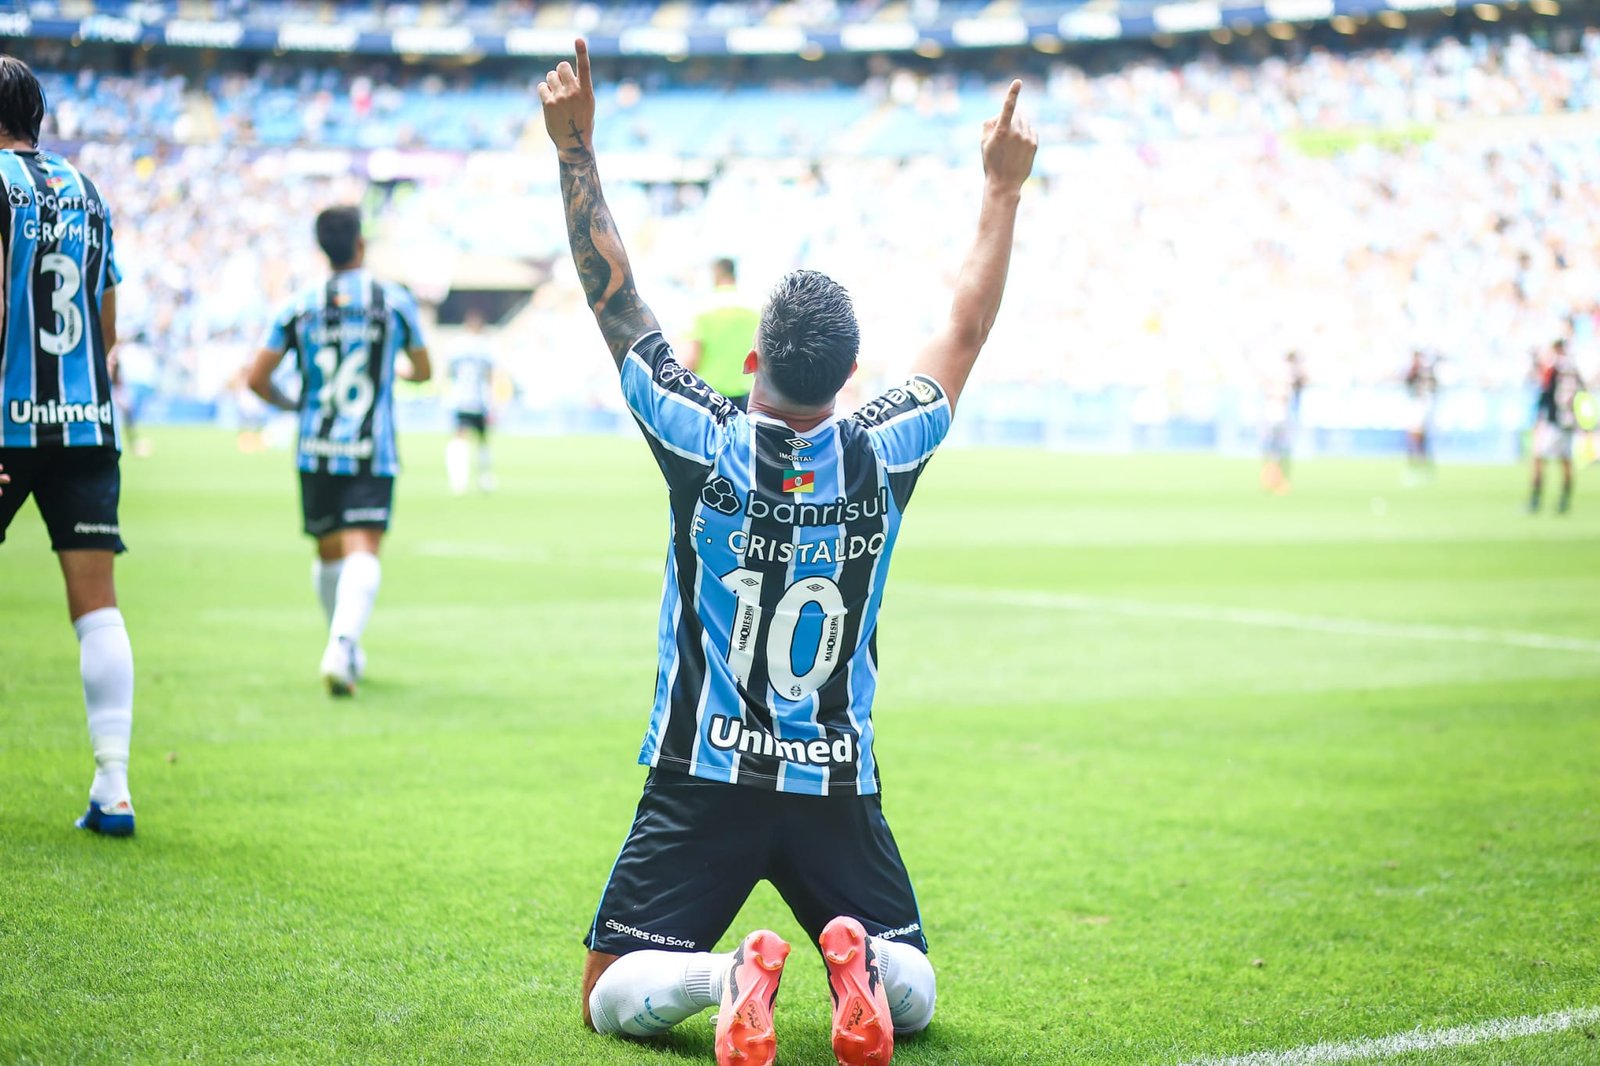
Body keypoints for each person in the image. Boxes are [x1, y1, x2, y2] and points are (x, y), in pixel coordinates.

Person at [536, 40, 1035, 1066]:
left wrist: (575, 148)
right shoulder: (883, 449)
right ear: (853, 373)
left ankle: (726, 977)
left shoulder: (697, 436)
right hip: (834, 779)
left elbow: (614, 299)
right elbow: (965, 326)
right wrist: (999, 190)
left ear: (754, 359)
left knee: (603, 995)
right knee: (919, 989)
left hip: (702, 772)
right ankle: (859, 966)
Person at [0, 55, 137, 836]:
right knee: (97, 610)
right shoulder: (89, 190)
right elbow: (107, 327)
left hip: (5, 424)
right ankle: (113, 786)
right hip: (86, 424)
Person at [246, 206, 431, 695]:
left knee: (329, 554)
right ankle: (342, 645)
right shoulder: (392, 301)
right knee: (363, 549)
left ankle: (341, 644)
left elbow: (256, 378)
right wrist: (392, 370)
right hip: (372, 448)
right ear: (361, 245)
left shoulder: (299, 303)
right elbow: (425, 369)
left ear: (321, 249)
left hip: (315, 447)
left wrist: (295, 406)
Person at [685, 257, 760, 411]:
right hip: (746, 392)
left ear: (716, 274)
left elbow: (692, 358)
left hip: (710, 394)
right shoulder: (755, 308)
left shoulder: (703, 307)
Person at [1529, 337, 1584, 514]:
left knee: (1538, 458)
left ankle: (1536, 500)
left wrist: (1540, 418)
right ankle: (1564, 500)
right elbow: (1582, 393)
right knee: (1565, 461)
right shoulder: (1574, 369)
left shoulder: (1554, 369)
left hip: (1555, 421)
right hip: (1569, 422)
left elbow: (1546, 395)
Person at [445, 308, 497, 495]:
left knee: (460, 437)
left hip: (460, 399)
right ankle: (484, 478)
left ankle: (458, 481)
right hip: (479, 399)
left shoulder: (456, 345)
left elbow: (449, 372)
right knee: (482, 440)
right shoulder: (485, 346)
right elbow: (490, 375)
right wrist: (492, 401)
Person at [1260, 350, 1306, 495]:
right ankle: (1274, 480)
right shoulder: (1283, 378)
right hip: (1276, 417)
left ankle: (1275, 479)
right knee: (1276, 450)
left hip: (1279, 417)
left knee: (1278, 451)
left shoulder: (1282, 378)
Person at [1403, 349, 1438, 483]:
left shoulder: (1426, 372)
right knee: (1413, 435)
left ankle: (1421, 463)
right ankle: (1416, 462)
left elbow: (1433, 387)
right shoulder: (1413, 372)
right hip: (1415, 404)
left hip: (1422, 405)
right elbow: (1407, 383)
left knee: (1419, 435)